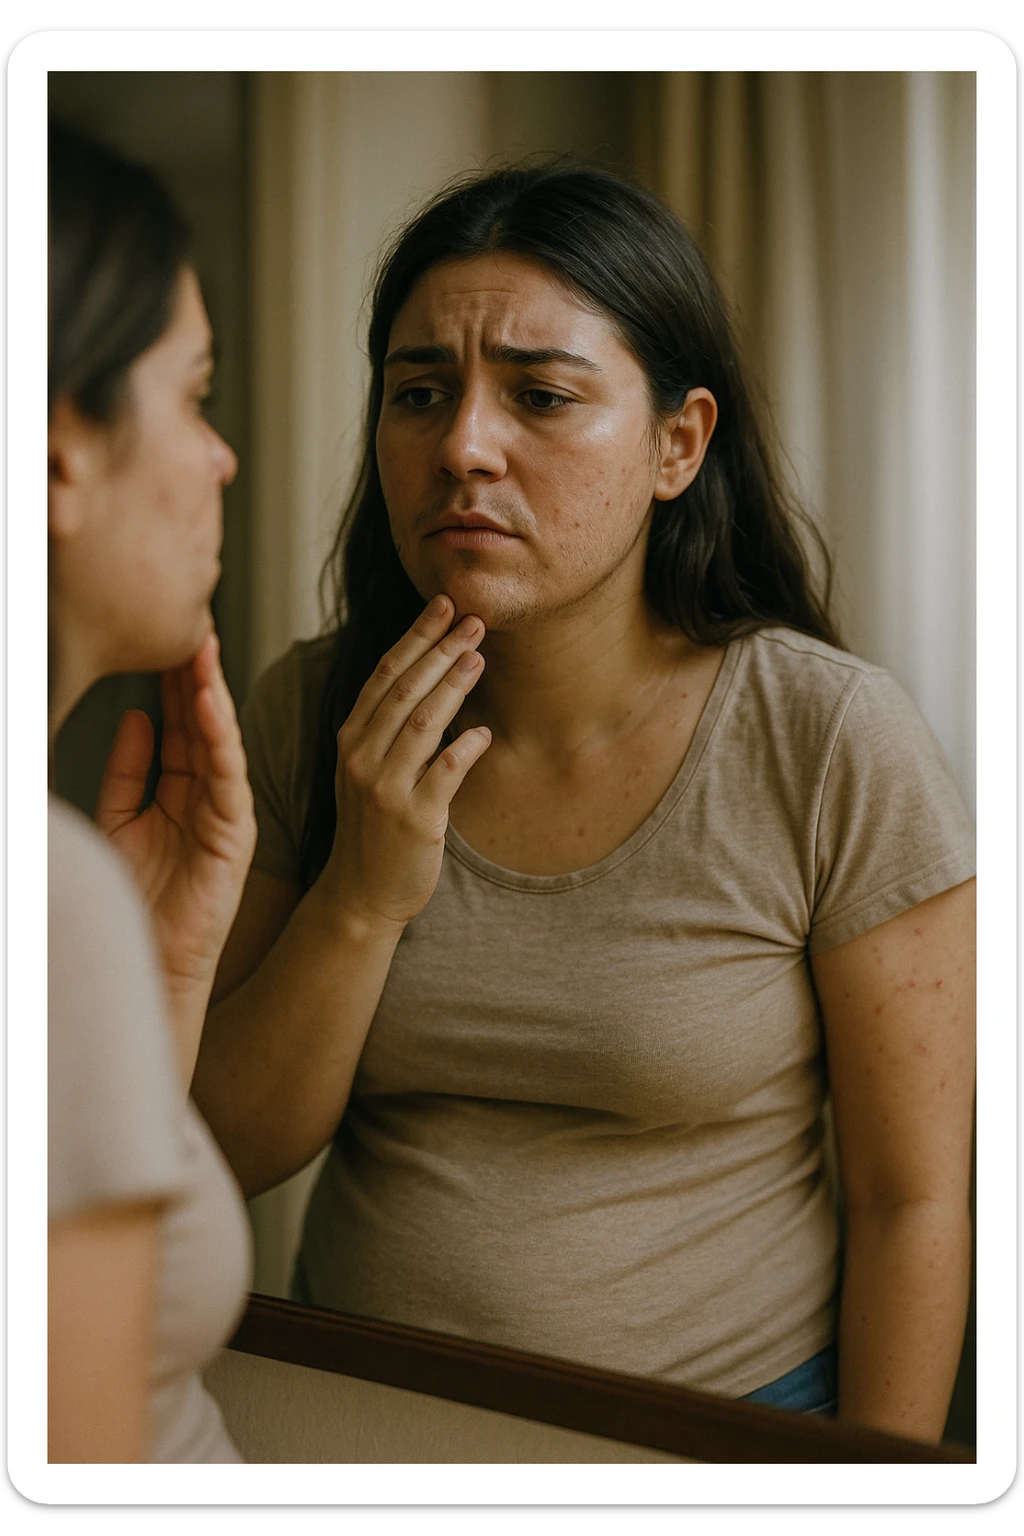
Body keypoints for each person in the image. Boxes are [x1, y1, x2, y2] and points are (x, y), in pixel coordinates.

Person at [192, 163, 976, 1444]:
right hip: (346, 1415)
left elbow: (914, 1205)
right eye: (419, 394)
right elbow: (221, 1145)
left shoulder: (828, 738)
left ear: (679, 444)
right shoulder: (309, 708)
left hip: (720, 1433)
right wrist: (361, 898)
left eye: (541, 396)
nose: (461, 446)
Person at [47, 121, 253, 1463]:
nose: (224, 456)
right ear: (65, 446)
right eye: (195, 396)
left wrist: (164, 974)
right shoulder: (49, 891)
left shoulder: (74, 898)